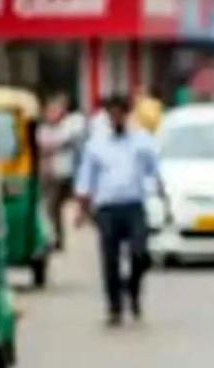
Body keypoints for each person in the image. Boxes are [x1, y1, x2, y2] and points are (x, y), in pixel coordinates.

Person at [74, 95, 160, 326]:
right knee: (109, 259)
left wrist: (156, 191)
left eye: (120, 113)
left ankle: (132, 290)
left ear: (126, 114)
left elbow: (154, 169)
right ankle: (114, 307)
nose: (116, 118)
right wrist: (82, 209)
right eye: (111, 114)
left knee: (140, 254)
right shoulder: (96, 144)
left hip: (134, 206)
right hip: (107, 209)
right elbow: (86, 178)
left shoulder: (142, 141)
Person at [36, 93, 86, 251]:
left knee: (54, 207)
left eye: (56, 110)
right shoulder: (43, 129)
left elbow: (59, 142)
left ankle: (57, 237)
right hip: (47, 175)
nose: (52, 114)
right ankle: (54, 237)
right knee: (50, 208)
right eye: (50, 111)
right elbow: (42, 145)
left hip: (62, 174)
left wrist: (50, 147)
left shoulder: (69, 125)